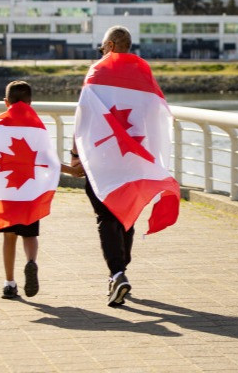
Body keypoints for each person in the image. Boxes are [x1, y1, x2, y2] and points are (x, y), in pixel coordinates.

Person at [71, 26, 180, 307]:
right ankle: (121, 268)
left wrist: (75, 154)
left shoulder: (97, 71)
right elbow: (156, 112)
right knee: (126, 213)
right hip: (135, 156)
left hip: (103, 156)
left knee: (105, 216)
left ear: (109, 45)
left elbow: (84, 115)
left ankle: (117, 272)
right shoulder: (143, 72)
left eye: (102, 47)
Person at [0, 80, 81, 299]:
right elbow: (48, 160)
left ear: (6, 102)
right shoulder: (37, 127)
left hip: (6, 193)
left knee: (9, 236)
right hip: (29, 192)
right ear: (31, 102)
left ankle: (9, 283)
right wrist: (72, 170)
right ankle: (31, 261)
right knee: (30, 235)